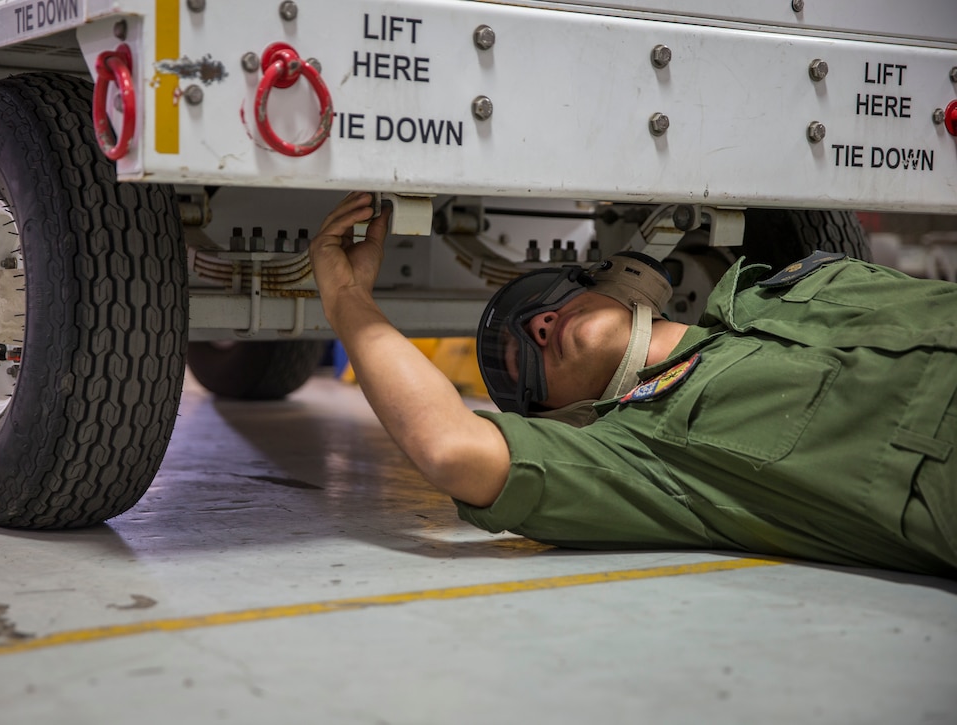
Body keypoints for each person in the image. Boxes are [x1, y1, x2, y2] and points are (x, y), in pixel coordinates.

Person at [309, 192, 957, 577]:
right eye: (520, 364)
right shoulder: (643, 455)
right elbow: (451, 446)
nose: (537, 325)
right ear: (559, 419)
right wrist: (344, 295)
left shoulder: (783, 285)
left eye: (541, 301)